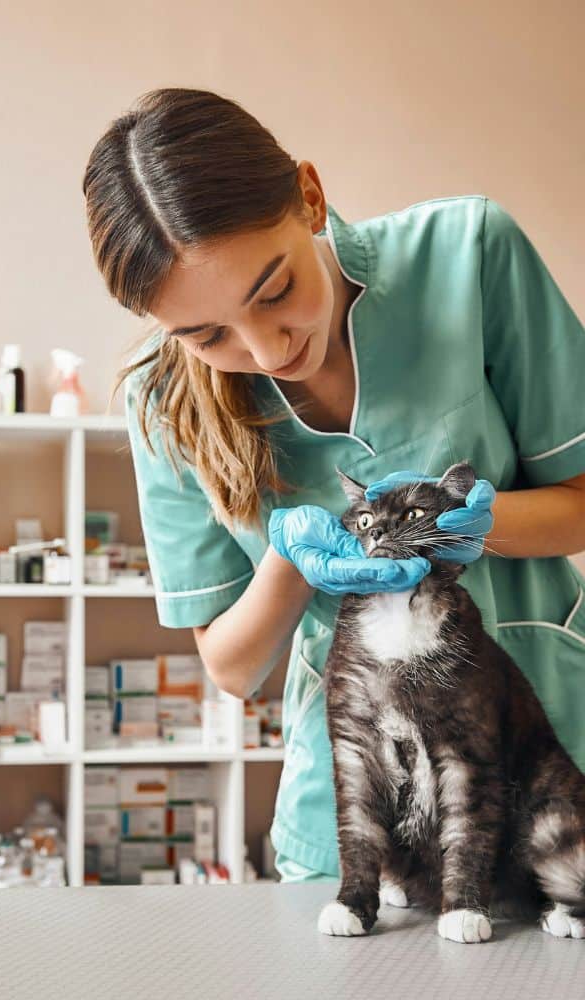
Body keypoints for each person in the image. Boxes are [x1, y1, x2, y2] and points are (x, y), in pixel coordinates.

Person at [82, 87, 585, 882]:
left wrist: (469, 525)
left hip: (550, 767)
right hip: (357, 814)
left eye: (274, 291)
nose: (267, 347)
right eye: (207, 335)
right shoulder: (161, 401)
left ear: (309, 197)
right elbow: (231, 666)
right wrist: (291, 562)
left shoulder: (467, 255)